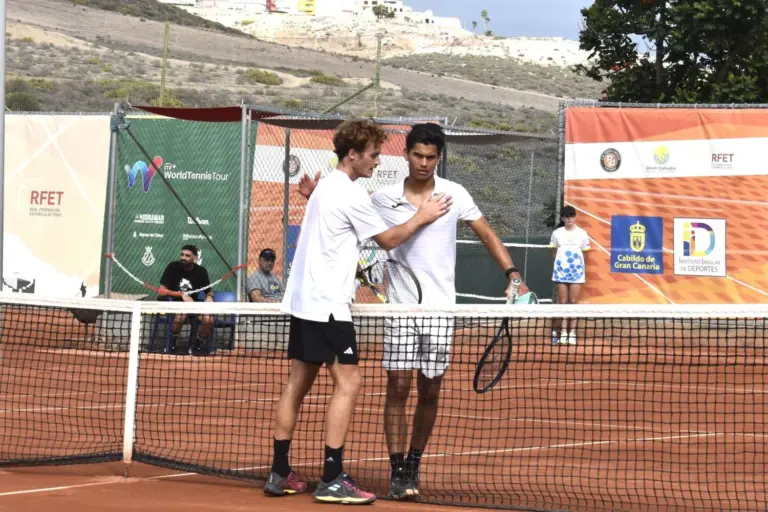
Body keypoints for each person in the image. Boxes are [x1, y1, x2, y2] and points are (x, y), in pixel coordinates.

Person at [264, 118, 452, 504]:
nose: (379, 162)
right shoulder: (350, 193)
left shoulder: (324, 189)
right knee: (349, 383)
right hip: (329, 307)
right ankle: (333, 477)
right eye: (374, 154)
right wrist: (423, 215)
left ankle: (279, 472)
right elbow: (388, 239)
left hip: (303, 303)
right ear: (353, 155)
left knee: (296, 386)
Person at [369, 123, 529, 499]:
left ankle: (413, 463)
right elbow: (354, 234)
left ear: (438, 158)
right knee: (398, 386)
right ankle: (396, 470)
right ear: (405, 154)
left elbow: (486, 233)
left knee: (430, 389)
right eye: (417, 155)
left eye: (431, 157)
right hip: (401, 309)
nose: (423, 163)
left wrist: (513, 273)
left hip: (441, 309)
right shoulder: (382, 198)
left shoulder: (454, 194)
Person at [157, 245, 214, 356]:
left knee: (209, 319)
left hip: (193, 307)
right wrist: (181, 294)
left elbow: (209, 291)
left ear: (195, 258)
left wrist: (209, 297)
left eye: (187, 256)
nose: (183, 257)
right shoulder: (172, 267)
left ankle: (197, 344)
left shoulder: (201, 271)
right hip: (174, 305)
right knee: (182, 314)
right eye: (182, 254)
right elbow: (161, 291)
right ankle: (172, 342)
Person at [549, 205, 591, 345]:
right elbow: (554, 252)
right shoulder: (557, 233)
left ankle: (572, 333)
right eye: (566, 216)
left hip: (577, 273)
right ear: (562, 218)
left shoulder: (582, 234)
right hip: (560, 273)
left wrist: (576, 267)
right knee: (562, 302)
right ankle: (563, 333)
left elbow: (585, 253)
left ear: (575, 217)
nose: (569, 219)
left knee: (573, 302)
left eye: (571, 216)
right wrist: (561, 266)